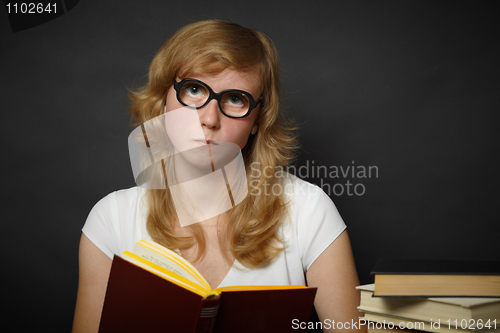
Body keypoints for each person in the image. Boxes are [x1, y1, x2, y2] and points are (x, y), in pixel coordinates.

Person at [72, 19, 364, 333]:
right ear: (164, 100)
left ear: (256, 120)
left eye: (236, 98)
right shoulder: (110, 221)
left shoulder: (309, 210)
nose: (210, 119)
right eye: (194, 89)